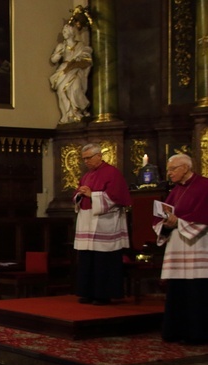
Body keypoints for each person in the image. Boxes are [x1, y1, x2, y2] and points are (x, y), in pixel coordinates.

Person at [153, 154, 208, 344]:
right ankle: (176, 330)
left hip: (197, 244)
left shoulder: (204, 186)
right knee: (178, 289)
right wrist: (167, 223)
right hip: (178, 243)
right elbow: (165, 216)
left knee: (196, 290)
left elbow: (203, 216)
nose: (169, 174)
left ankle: (197, 333)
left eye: (172, 169)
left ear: (185, 168)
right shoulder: (176, 190)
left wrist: (179, 222)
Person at [73, 143, 131, 305]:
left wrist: (92, 195)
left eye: (89, 158)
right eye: (84, 159)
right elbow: (78, 193)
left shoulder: (112, 173)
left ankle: (103, 294)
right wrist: (80, 194)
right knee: (88, 259)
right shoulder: (87, 175)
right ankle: (88, 292)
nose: (86, 162)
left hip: (105, 222)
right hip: (87, 221)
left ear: (99, 156)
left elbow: (116, 197)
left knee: (103, 260)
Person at [49, 23, 92, 124]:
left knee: (76, 88)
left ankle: (79, 110)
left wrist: (79, 59)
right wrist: (59, 53)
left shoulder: (80, 45)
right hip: (64, 70)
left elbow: (86, 57)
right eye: (63, 31)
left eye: (65, 31)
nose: (63, 33)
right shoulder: (61, 46)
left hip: (75, 69)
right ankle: (67, 115)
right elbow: (53, 60)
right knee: (61, 90)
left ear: (71, 33)